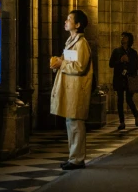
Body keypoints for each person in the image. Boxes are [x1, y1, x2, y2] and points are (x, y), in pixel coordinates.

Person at [50, 10, 93, 170]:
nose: (65, 22)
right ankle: (73, 157)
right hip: (70, 89)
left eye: (69, 19)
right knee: (71, 123)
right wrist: (58, 62)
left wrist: (62, 64)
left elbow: (80, 66)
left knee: (75, 124)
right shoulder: (71, 41)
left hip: (76, 90)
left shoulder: (81, 44)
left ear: (78, 24)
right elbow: (69, 61)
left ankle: (77, 159)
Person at [109, 32, 138, 130]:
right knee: (120, 100)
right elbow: (111, 64)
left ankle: (136, 115)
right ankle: (122, 122)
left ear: (129, 40)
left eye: (125, 37)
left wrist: (129, 61)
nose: (122, 38)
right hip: (119, 78)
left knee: (129, 99)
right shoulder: (116, 51)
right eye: (122, 36)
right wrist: (120, 60)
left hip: (129, 79)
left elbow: (136, 66)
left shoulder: (133, 53)